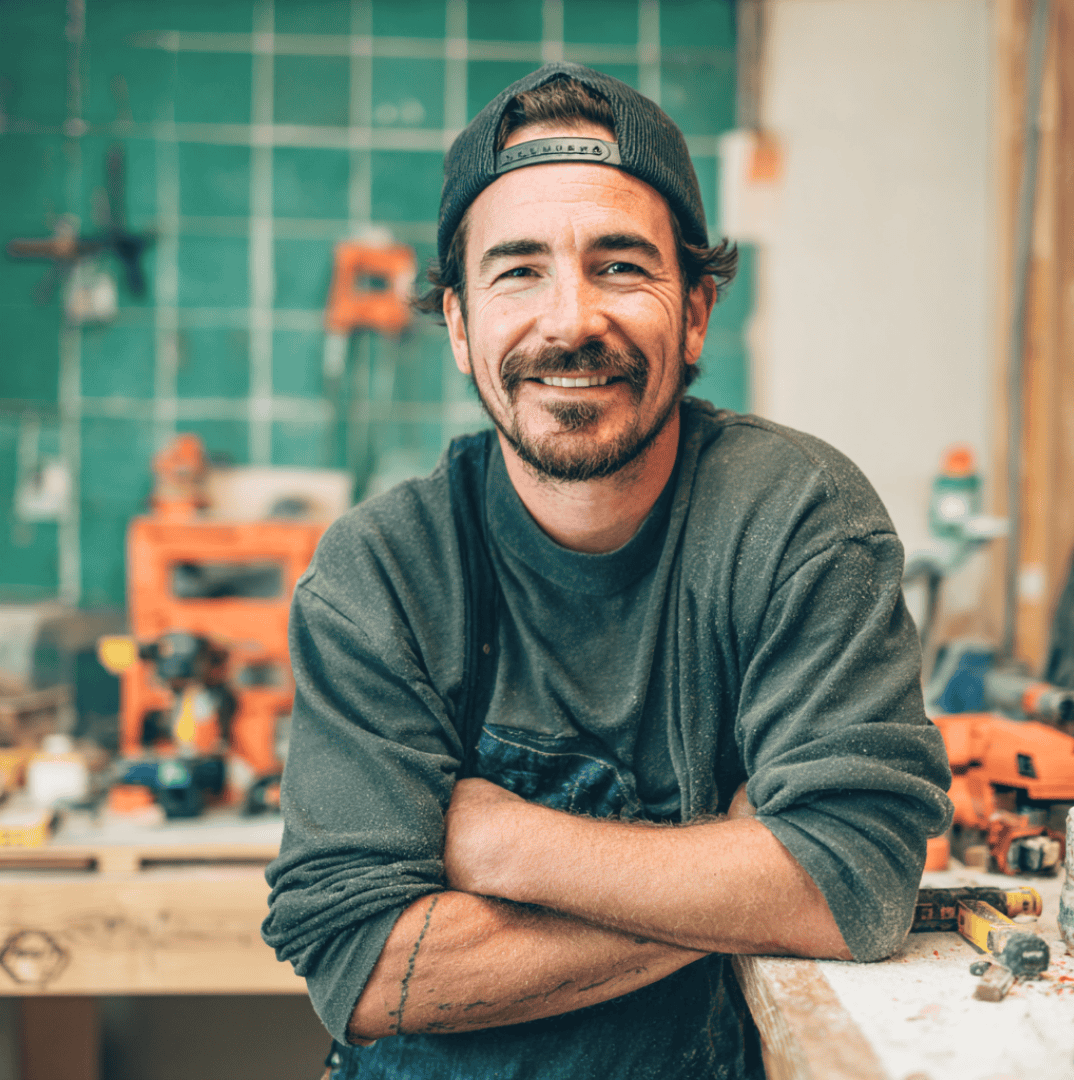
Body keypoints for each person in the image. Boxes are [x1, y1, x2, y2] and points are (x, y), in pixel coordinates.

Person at [262, 63, 953, 1080]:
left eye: (622, 266)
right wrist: (748, 875)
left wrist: (511, 848)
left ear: (697, 311)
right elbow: (361, 969)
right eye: (518, 270)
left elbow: (859, 875)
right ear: (458, 325)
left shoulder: (794, 520)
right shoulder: (383, 575)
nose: (570, 321)